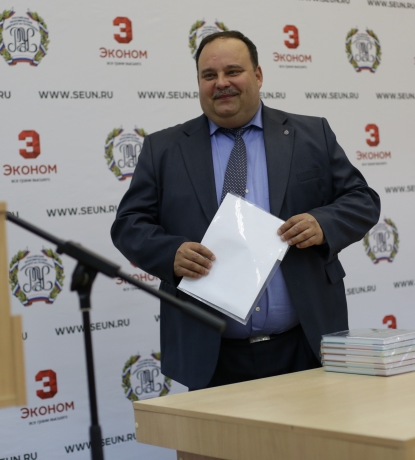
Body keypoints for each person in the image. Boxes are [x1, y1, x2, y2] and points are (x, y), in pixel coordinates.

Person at [111, 31, 380, 390]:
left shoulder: (312, 134)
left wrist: (324, 222)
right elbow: (129, 224)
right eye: (209, 75)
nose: (221, 83)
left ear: (258, 75)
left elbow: (362, 200)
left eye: (233, 71)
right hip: (211, 354)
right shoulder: (163, 149)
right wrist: (170, 253)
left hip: (305, 345)